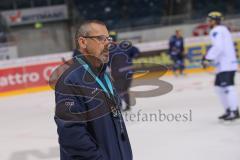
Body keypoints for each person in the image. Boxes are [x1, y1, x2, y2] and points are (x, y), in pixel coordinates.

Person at [54, 20, 133, 160]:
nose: (108, 43)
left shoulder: (103, 75)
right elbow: (71, 136)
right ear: (83, 42)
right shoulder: (70, 81)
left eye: (109, 39)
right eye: (101, 39)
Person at [202, 11, 239, 121]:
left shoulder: (216, 30)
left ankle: (234, 111)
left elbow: (218, 47)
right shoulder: (222, 30)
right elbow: (221, 48)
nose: (208, 22)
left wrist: (207, 58)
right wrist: (210, 60)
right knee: (219, 88)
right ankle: (229, 110)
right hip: (223, 65)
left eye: (209, 20)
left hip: (226, 65)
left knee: (228, 87)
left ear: (214, 21)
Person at [109, 31, 140, 111]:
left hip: (118, 73)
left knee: (118, 90)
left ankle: (119, 107)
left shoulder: (109, 50)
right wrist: (132, 57)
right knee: (125, 90)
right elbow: (136, 51)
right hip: (129, 71)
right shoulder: (125, 46)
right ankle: (127, 106)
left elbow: (106, 62)